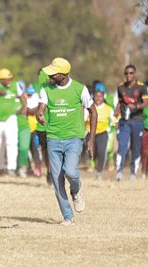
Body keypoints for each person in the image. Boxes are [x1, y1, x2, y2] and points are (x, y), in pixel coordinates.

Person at [36, 58, 97, 225]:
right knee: (57, 179)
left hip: (74, 138)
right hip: (53, 138)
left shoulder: (79, 89)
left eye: (53, 73)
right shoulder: (46, 89)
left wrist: (91, 138)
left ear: (63, 75)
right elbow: (40, 108)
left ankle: (76, 191)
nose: (49, 75)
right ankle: (68, 216)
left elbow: (93, 112)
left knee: (70, 171)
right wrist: (39, 115)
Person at [0, 45, 23, 176]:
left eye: (9, 78)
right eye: (5, 79)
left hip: (11, 118)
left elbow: (22, 97)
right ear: (0, 79)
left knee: (11, 142)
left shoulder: (15, 85)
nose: (8, 80)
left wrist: (23, 108)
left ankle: (11, 168)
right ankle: (0, 166)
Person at [114, 65, 148, 181]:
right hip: (124, 121)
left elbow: (146, 103)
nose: (129, 75)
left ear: (135, 74)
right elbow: (119, 102)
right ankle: (119, 172)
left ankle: (133, 172)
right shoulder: (120, 87)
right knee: (122, 146)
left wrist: (136, 106)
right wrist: (117, 110)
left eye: (131, 73)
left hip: (137, 120)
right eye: (126, 73)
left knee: (136, 147)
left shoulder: (142, 87)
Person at [84, 88, 114, 180]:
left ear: (103, 97)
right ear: (93, 97)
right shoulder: (89, 108)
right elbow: (84, 119)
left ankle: (99, 172)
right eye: (96, 96)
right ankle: (92, 162)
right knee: (91, 151)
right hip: (90, 132)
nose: (98, 98)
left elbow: (113, 120)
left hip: (102, 133)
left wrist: (110, 128)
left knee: (102, 152)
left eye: (100, 96)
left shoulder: (108, 108)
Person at [26, 85, 41, 177]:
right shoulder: (25, 98)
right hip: (26, 128)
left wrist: (30, 110)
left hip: (35, 128)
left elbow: (33, 111)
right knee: (26, 149)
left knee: (35, 149)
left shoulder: (37, 99)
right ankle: (28, 168)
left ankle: (37, 167)